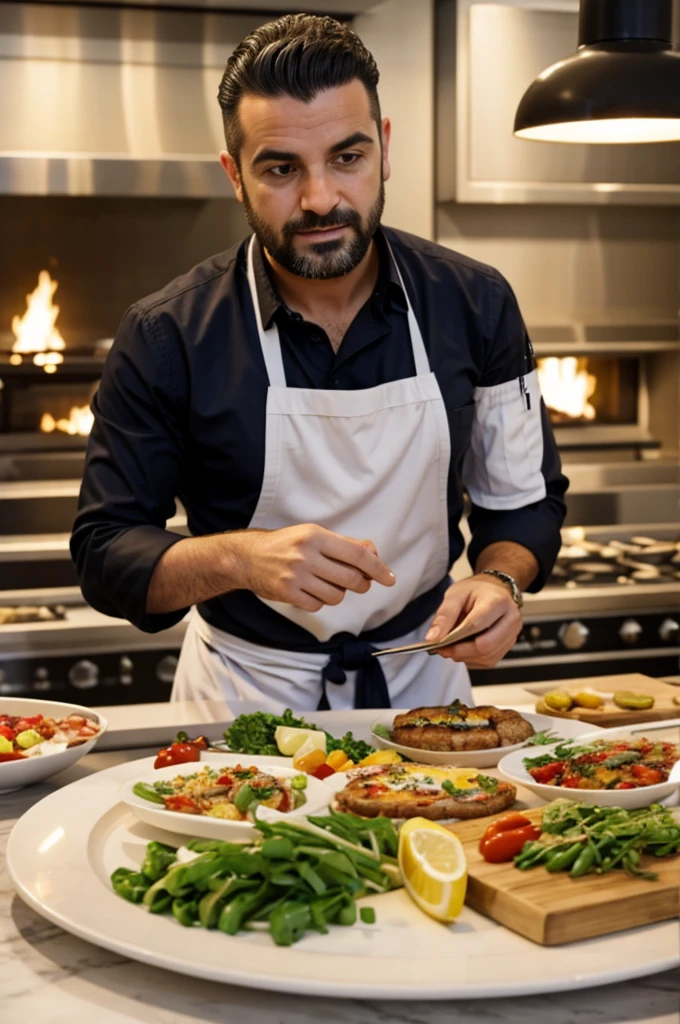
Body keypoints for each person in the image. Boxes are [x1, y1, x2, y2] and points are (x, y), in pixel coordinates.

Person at [70, 13, 568, 711]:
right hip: (244, 700)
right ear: (235, 176)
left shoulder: (475, 303)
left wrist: (499, 581)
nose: (321, 198)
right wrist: (239, 558)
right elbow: (105, 552)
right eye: (280, 168)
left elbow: (523, 503)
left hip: (424, 688)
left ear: (385, 149)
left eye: (347, 157)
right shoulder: (166, 334)